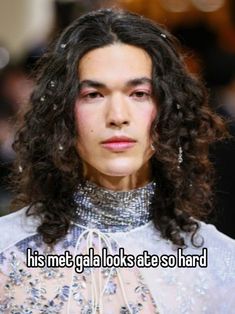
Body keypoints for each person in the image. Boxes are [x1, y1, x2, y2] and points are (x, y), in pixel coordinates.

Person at [0, 8, 235, 314]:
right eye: (94, 95)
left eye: (138, 94)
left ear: (167, 111)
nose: (117, 117)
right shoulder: (7, 251)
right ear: (62, 115)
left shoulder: (220, 264)